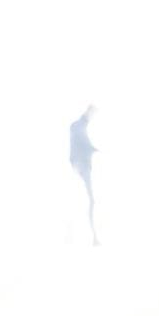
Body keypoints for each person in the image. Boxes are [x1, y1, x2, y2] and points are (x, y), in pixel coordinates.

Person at [69, 104, 100, 246]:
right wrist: (94, 149)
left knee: (90, 200)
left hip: (82, 166)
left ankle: (93, 236)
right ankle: (92, 236)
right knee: (89, 201)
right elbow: (81, 141)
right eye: (92, 113)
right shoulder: (78, 126)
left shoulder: (80, 126)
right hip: (81, 166)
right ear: (88, 112)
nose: (93, 116)